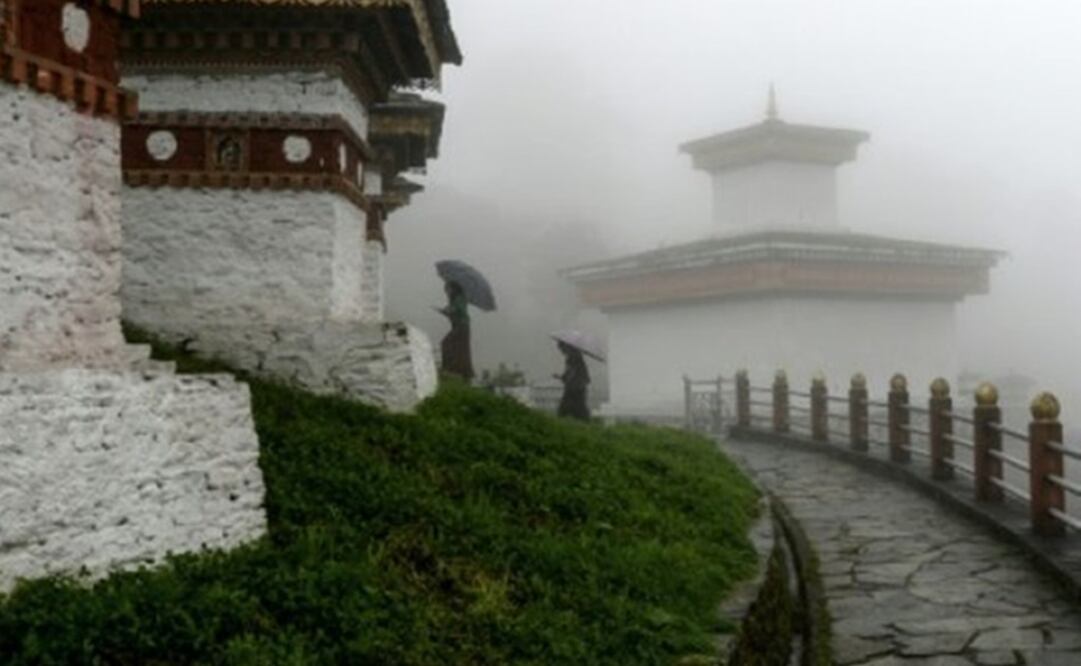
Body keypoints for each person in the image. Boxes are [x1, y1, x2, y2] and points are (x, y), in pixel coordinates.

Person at [438, 280, 474, 381]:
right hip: (459, 327)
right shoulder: (454, 300)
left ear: (453, 289)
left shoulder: (460, 298)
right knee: (460, 351)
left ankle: (450, 369)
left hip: (462, 327)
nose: (447, 292)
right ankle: (461, 373)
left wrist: (449, 310)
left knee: (447, 344)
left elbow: (459, 310)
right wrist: (446, 312)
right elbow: (453, 312)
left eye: (448, 289)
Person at [555, 341, 591, 421]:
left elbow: (572, 372)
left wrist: (564, 378)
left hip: (574, 387)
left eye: (562, 348)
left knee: (566, 407)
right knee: (579, 407)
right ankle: (584, 422)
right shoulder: (577, 357)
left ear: (567, 347)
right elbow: (571, 373)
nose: (561, 351)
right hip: (579, 386)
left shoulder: (572, 358)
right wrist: (562, 377)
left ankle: (561, 421)